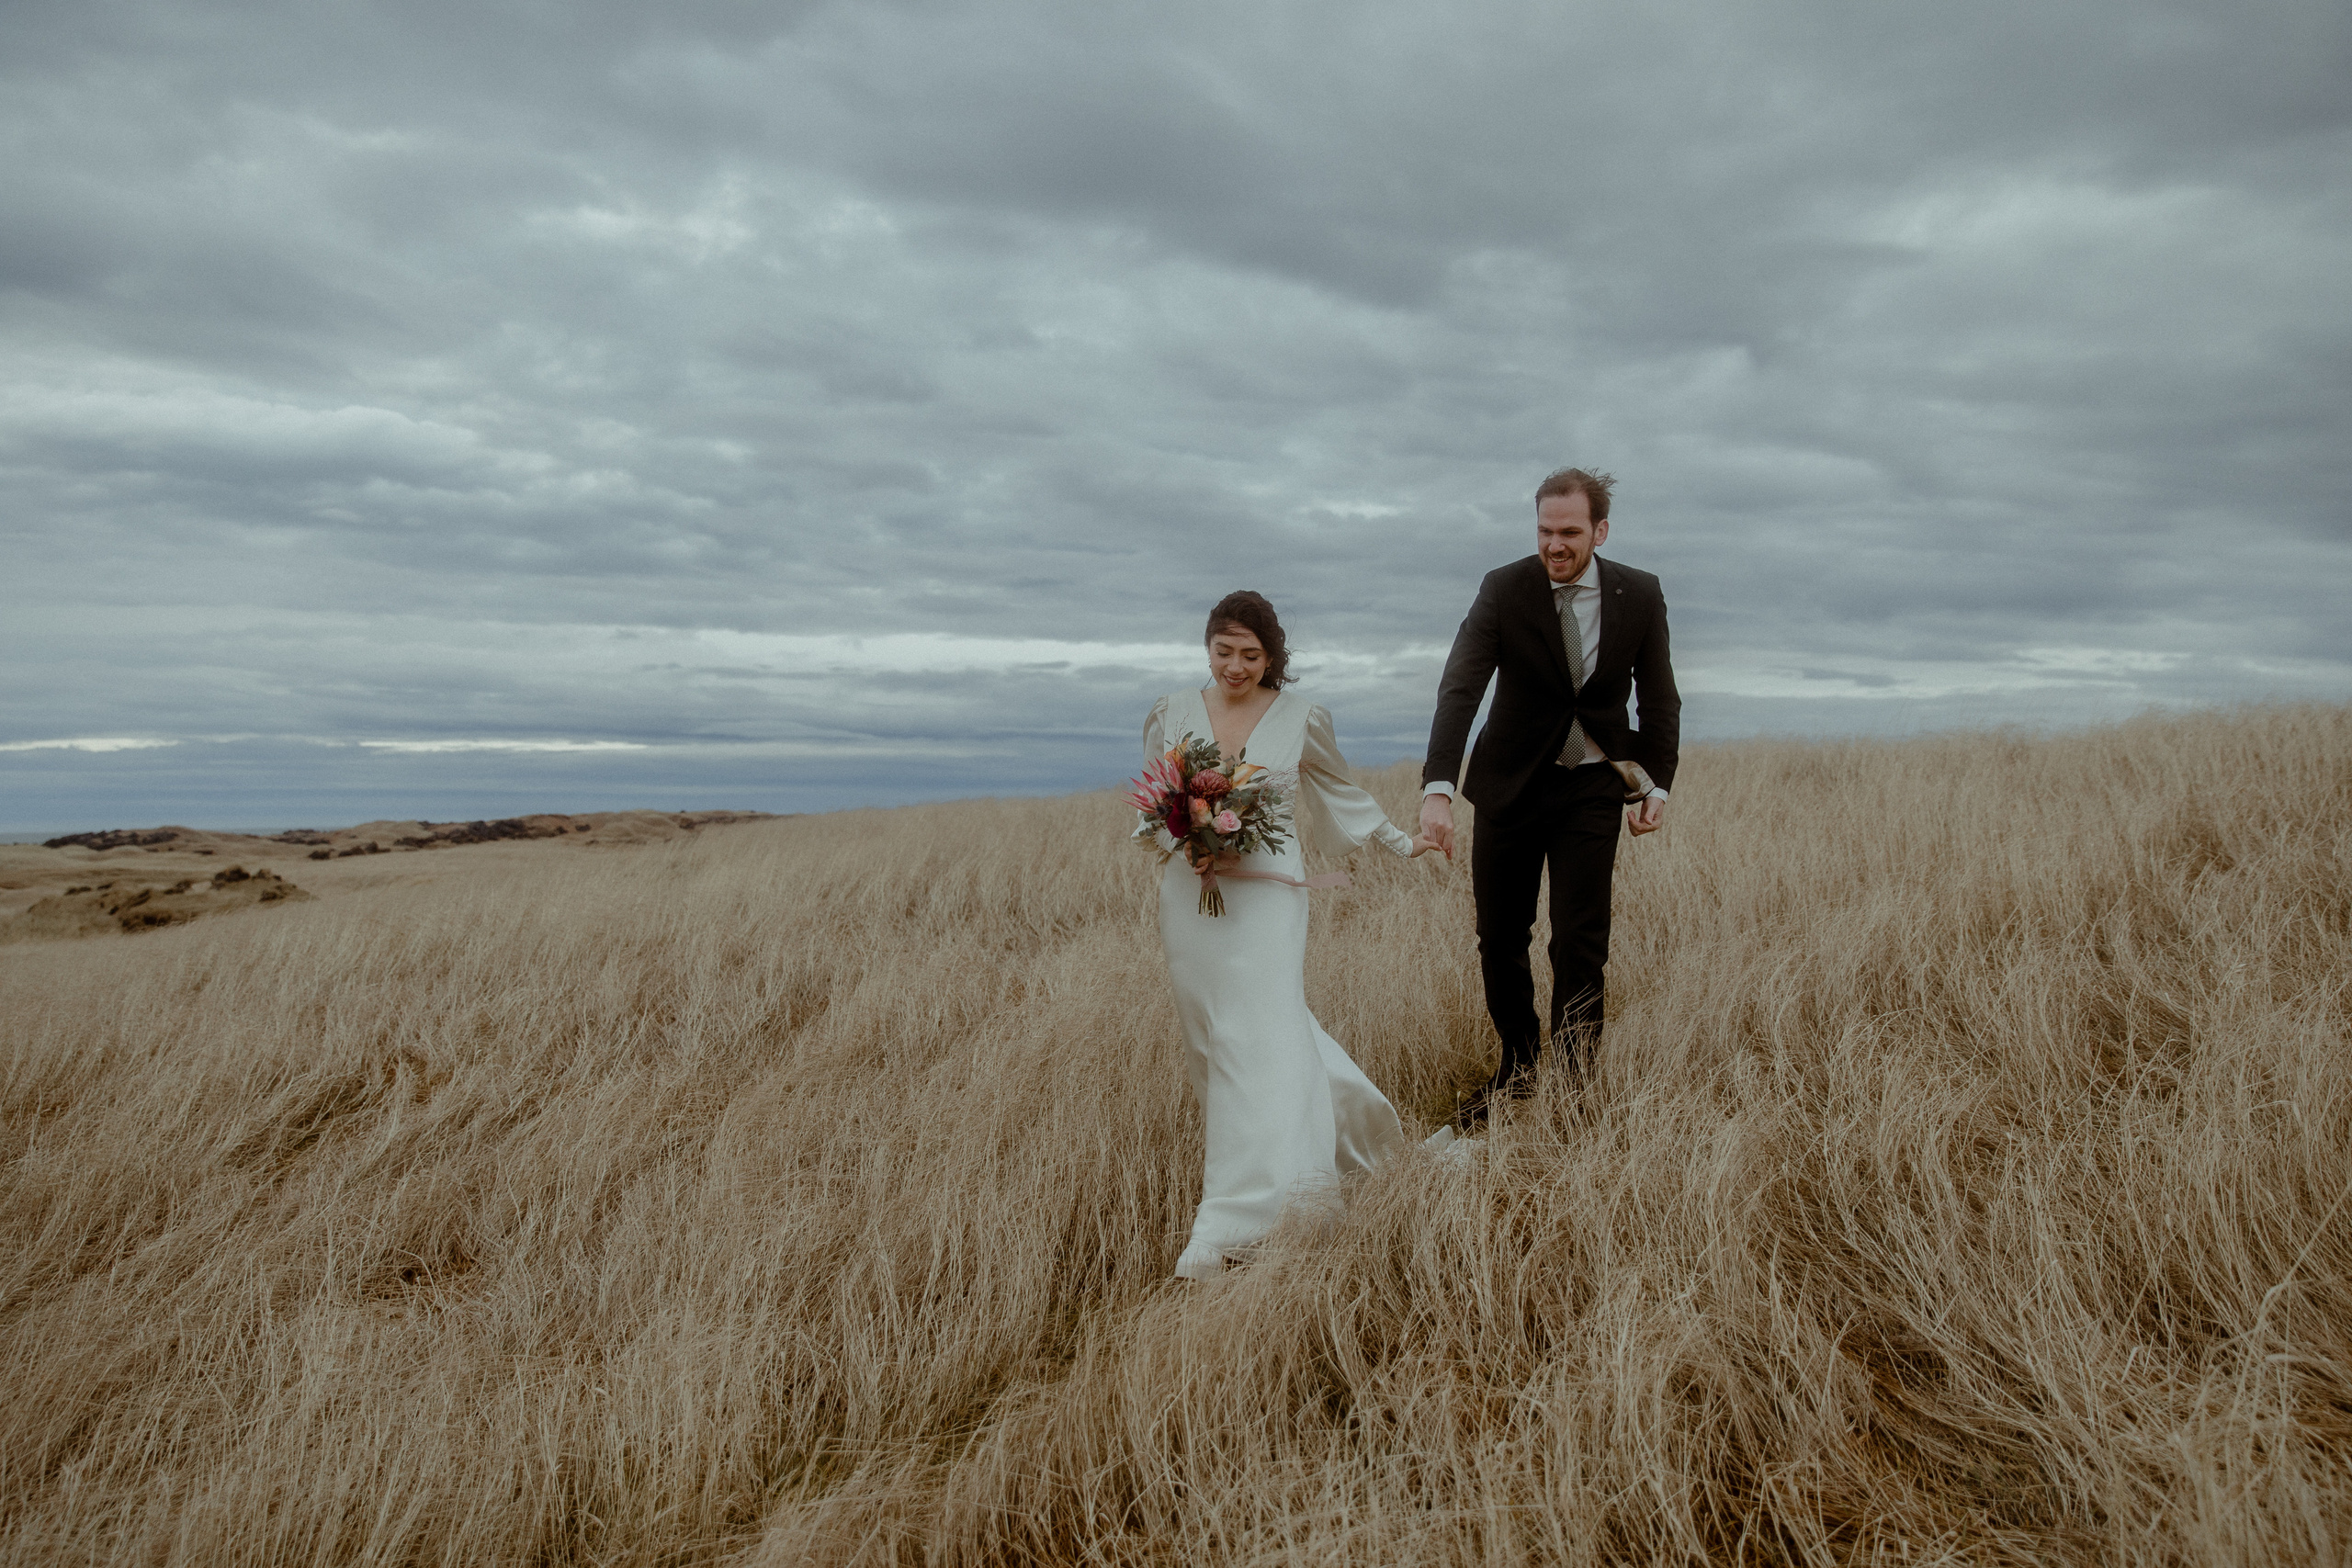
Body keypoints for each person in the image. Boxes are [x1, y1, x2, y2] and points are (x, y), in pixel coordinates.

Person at [1143, 591, 1443, 1280]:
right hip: (1191, 895)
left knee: (1265, 1029)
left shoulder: (1302, 717)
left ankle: (1248, 1216)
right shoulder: (1172, 711)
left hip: (1271, 899)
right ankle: (1329, 1145)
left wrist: (1402, 842)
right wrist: (1181, 839)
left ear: (1273, 657)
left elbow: (1340, 792)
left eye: (1251, 655)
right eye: (1225, 651)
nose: (1236, 666)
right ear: (1208, 646)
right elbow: (1156, 804)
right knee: (1215, 1039)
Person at [1419, 468, 1680, 1127]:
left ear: (1600, 529)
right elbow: (1461, 688)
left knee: (1581, 938)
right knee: (1500, 936)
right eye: (1544, 531)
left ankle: (1573, 1085)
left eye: (1569, 532)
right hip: (1509, 784)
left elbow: (1659, 695)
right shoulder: (1505, 589)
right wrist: (1439, 788)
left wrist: (1657, 782)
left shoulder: (1640, 594)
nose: (1554, 545)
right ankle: (1519, 1067)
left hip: (1591, 784)